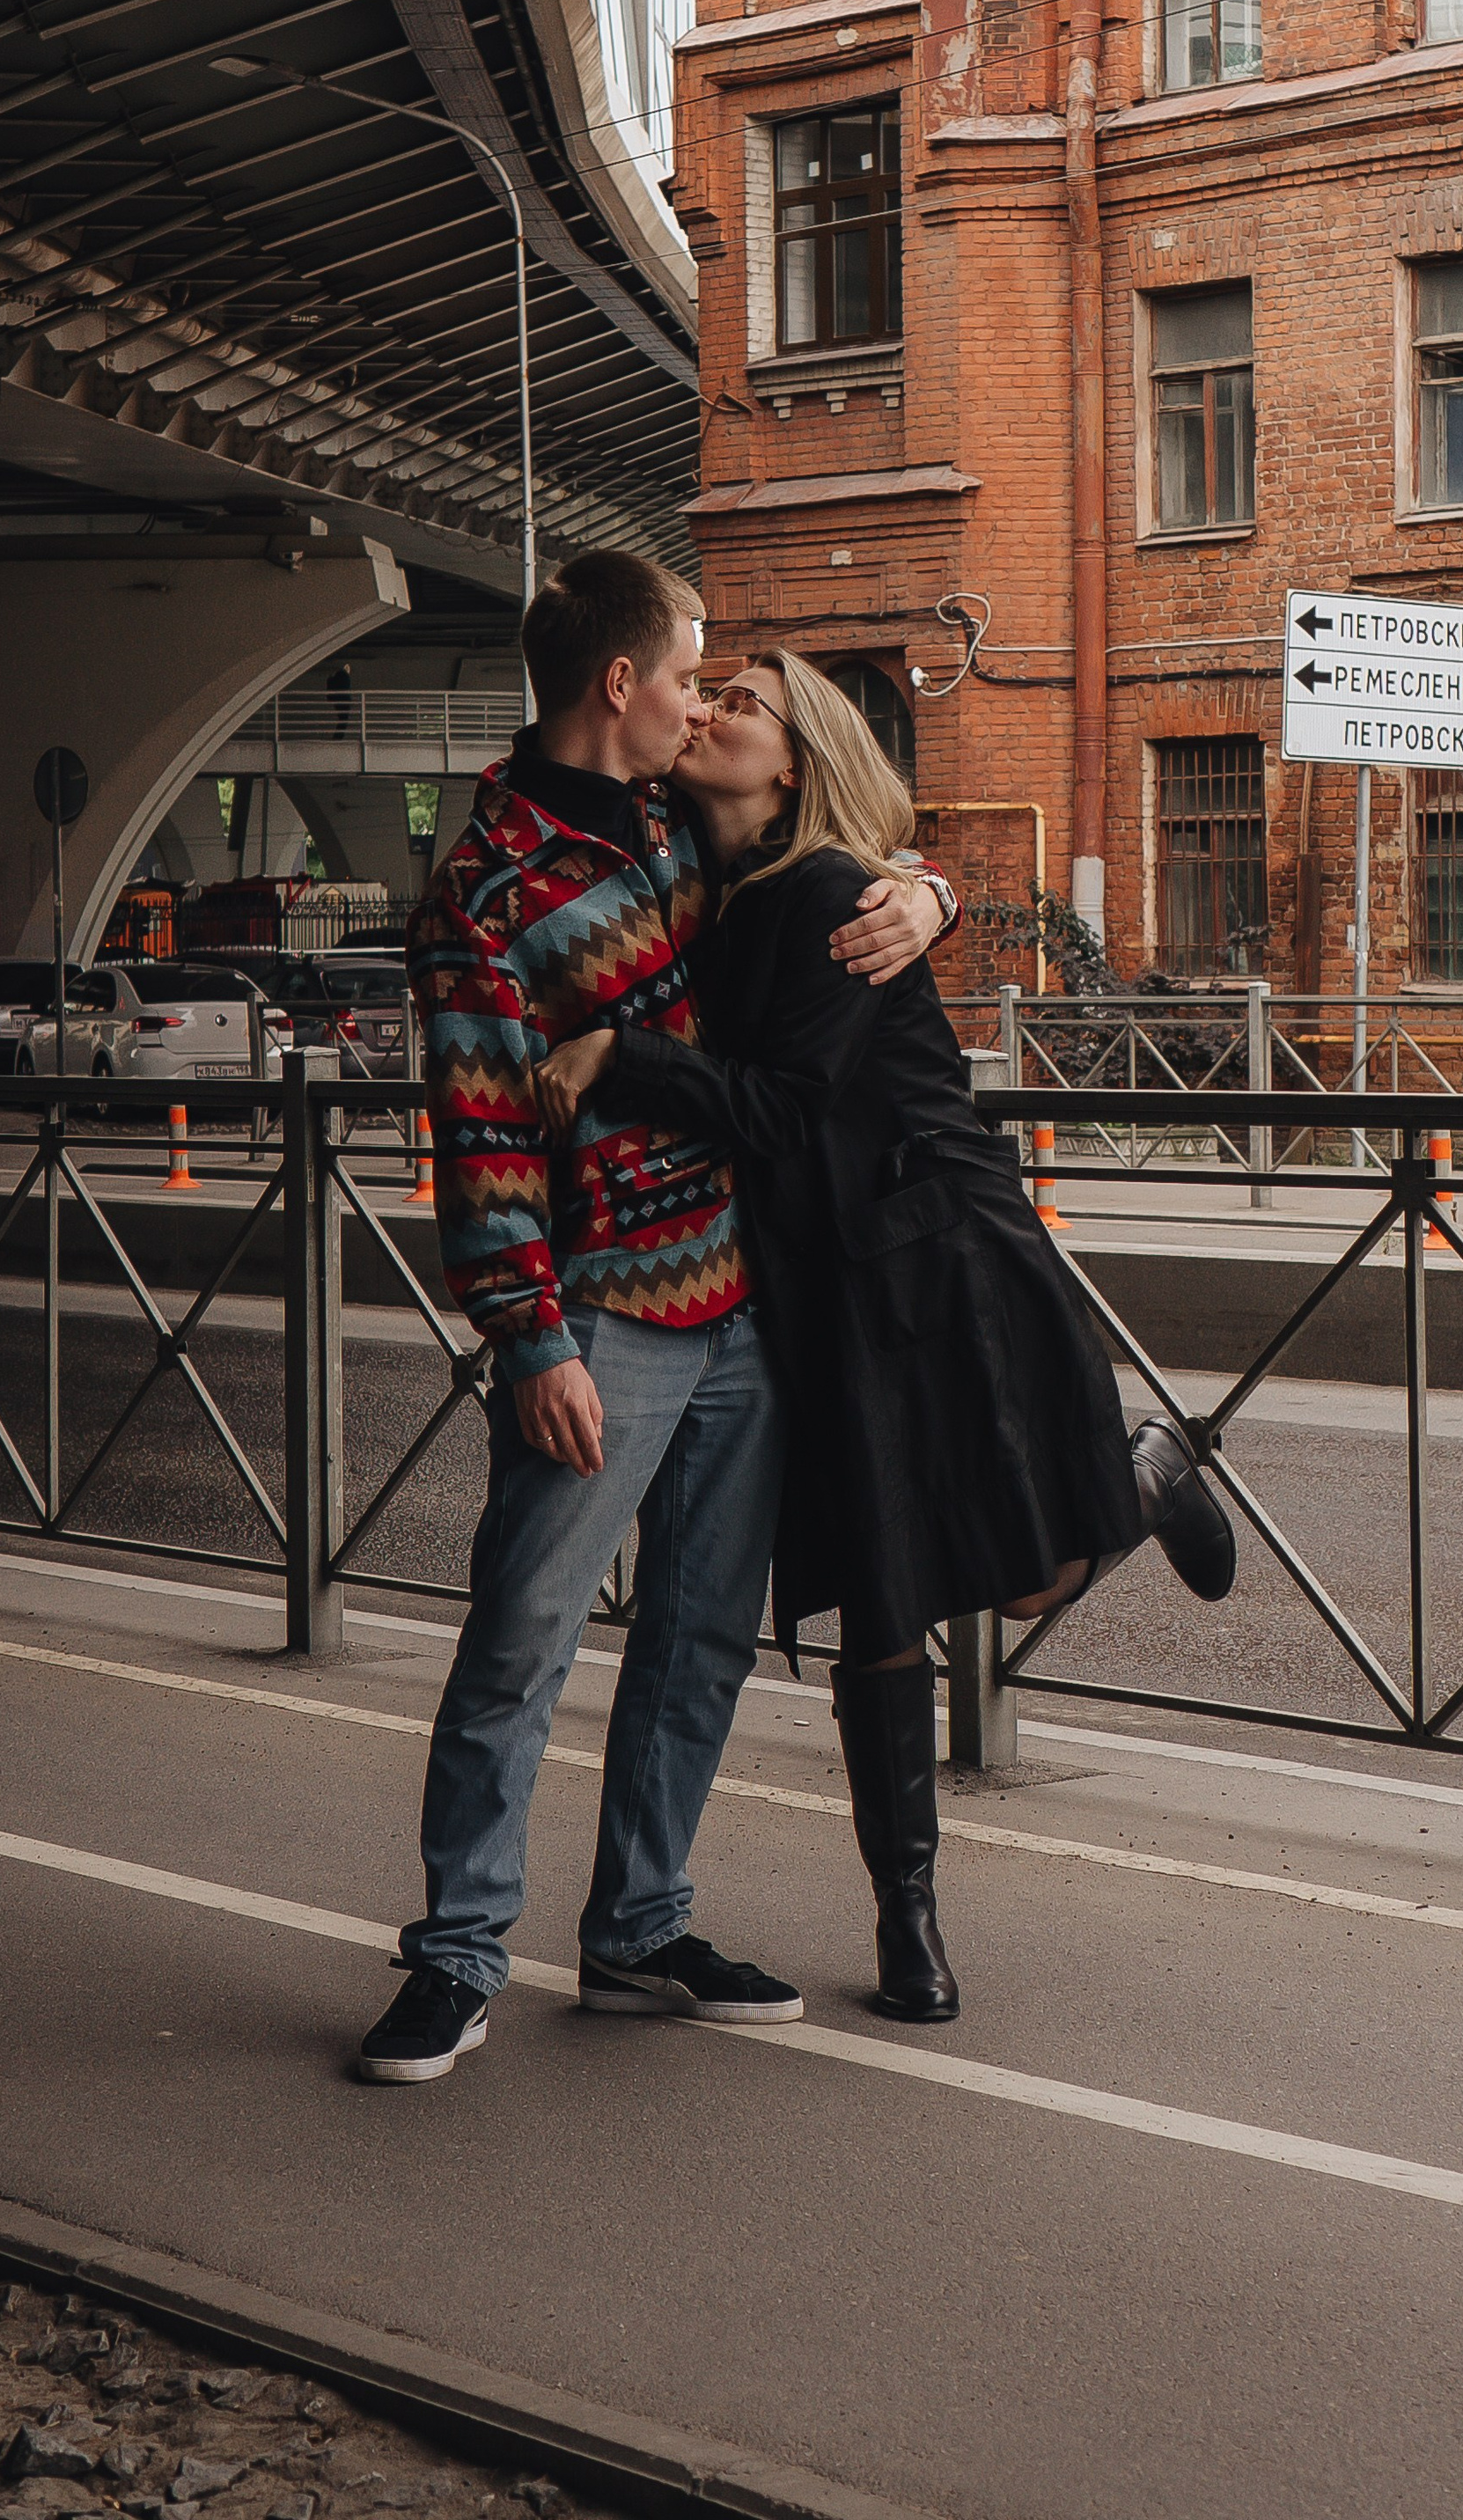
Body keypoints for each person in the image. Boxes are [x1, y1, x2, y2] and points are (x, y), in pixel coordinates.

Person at [536, 647, 1235, 2028]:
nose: (715, 709)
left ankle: (1147, 1474)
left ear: (793, 764)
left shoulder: (820, 897)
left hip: (938, 1257)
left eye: (747, 704)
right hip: (817, 1282)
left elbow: (792, 1105)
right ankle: (907, 1922)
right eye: (711, 691)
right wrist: (935, 886)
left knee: (1024, 1583)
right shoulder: (701, 881)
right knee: (879, 1599)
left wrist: (622, 1055)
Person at [356, 555, 950, 2084]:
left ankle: (638, 1927)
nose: (704, 698)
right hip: (604, 1320)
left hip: (743, 1305)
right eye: (690, 670)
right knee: (522, 1642)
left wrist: (931, 894)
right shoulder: (483, 885)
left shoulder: (692, 827)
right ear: (619, 683)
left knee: (700, 1646)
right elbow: (480, 1132)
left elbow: (839, 843)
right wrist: (529, 1335)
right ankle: (457, 1957)